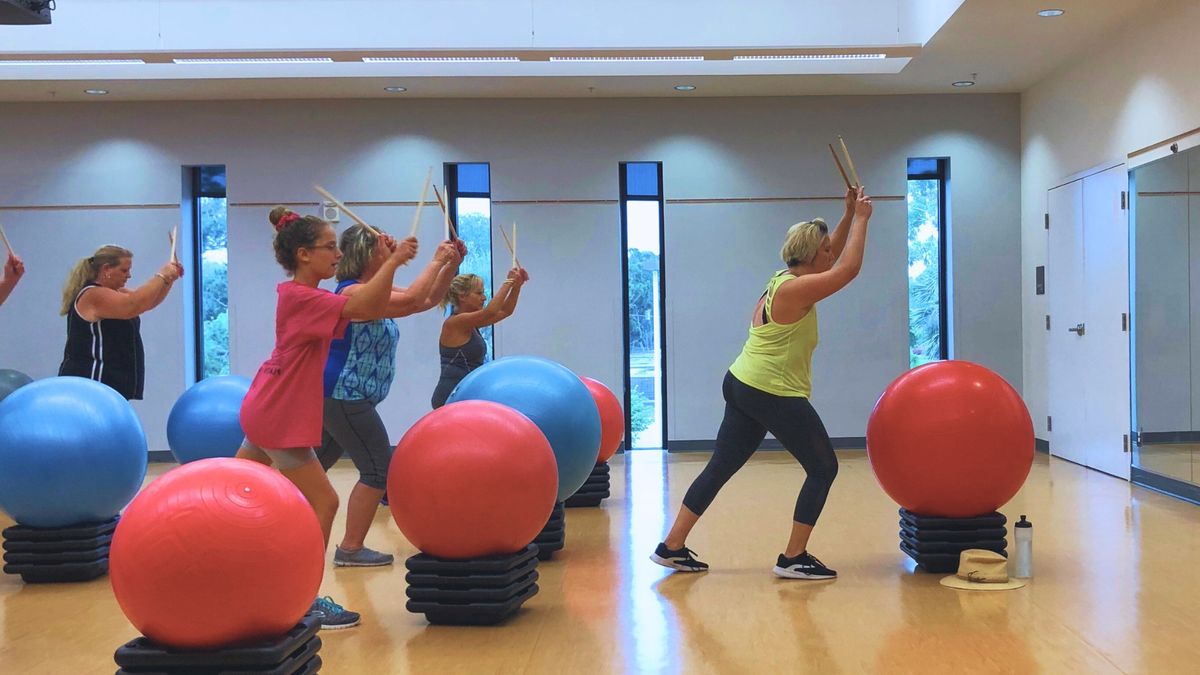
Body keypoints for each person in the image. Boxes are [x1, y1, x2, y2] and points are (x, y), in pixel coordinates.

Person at [652, 186, 873, 580]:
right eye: (825, 250)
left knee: (721, 466)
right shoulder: (797, 289)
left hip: (742, 383)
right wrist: (861, 220)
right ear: (812, 256)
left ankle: (671, 547)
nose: (830, 253)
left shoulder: (786, 278)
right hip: (770, 390)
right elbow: (849, 269)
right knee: (823, 467)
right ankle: (793, 557)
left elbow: (833, 257)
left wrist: (844, 215)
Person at [236, 207, 414, 630]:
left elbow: (371, 303)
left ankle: (229, 568)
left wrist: (390, 264)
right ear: (303, 254)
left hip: (268, 403)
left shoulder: (305, 296)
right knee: (323, 501)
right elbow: (368, 305)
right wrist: (391, 261)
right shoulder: (305, 297)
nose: (338, 254)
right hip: (278, 410)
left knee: (241, 495)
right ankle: (302, 600)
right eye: (329, 247)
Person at [316, 224, 465, 567]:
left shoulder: (371, 289)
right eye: (383, 244)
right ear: (368, 253)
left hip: (343, 396)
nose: (391, 245)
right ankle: (350, 549)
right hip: (345, 394)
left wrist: (451, 265)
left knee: (314, 468)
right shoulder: (351, 294)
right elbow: (413, 298)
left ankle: (277, 525)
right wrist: (436, 257)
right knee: (378, 471)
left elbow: (425, 300)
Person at [58, 245, 183, 400]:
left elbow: (147, 303)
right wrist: (161, 275)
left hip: (111, 385)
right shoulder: (92, 294)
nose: (129, 276)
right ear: (106, 269)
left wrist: (168, 280)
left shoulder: (117, 294)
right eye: (124, 270)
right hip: (90, 385)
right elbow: (133, 304)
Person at [430, 267, 528, 409]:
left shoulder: (471, 323)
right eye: (479, 293)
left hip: (466, 395)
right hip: (451, 396)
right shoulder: (456, 323)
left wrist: (516, 286)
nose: (484, 297)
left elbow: (505, 311)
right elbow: (491, 311)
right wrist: (508, 282)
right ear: (462, 296)